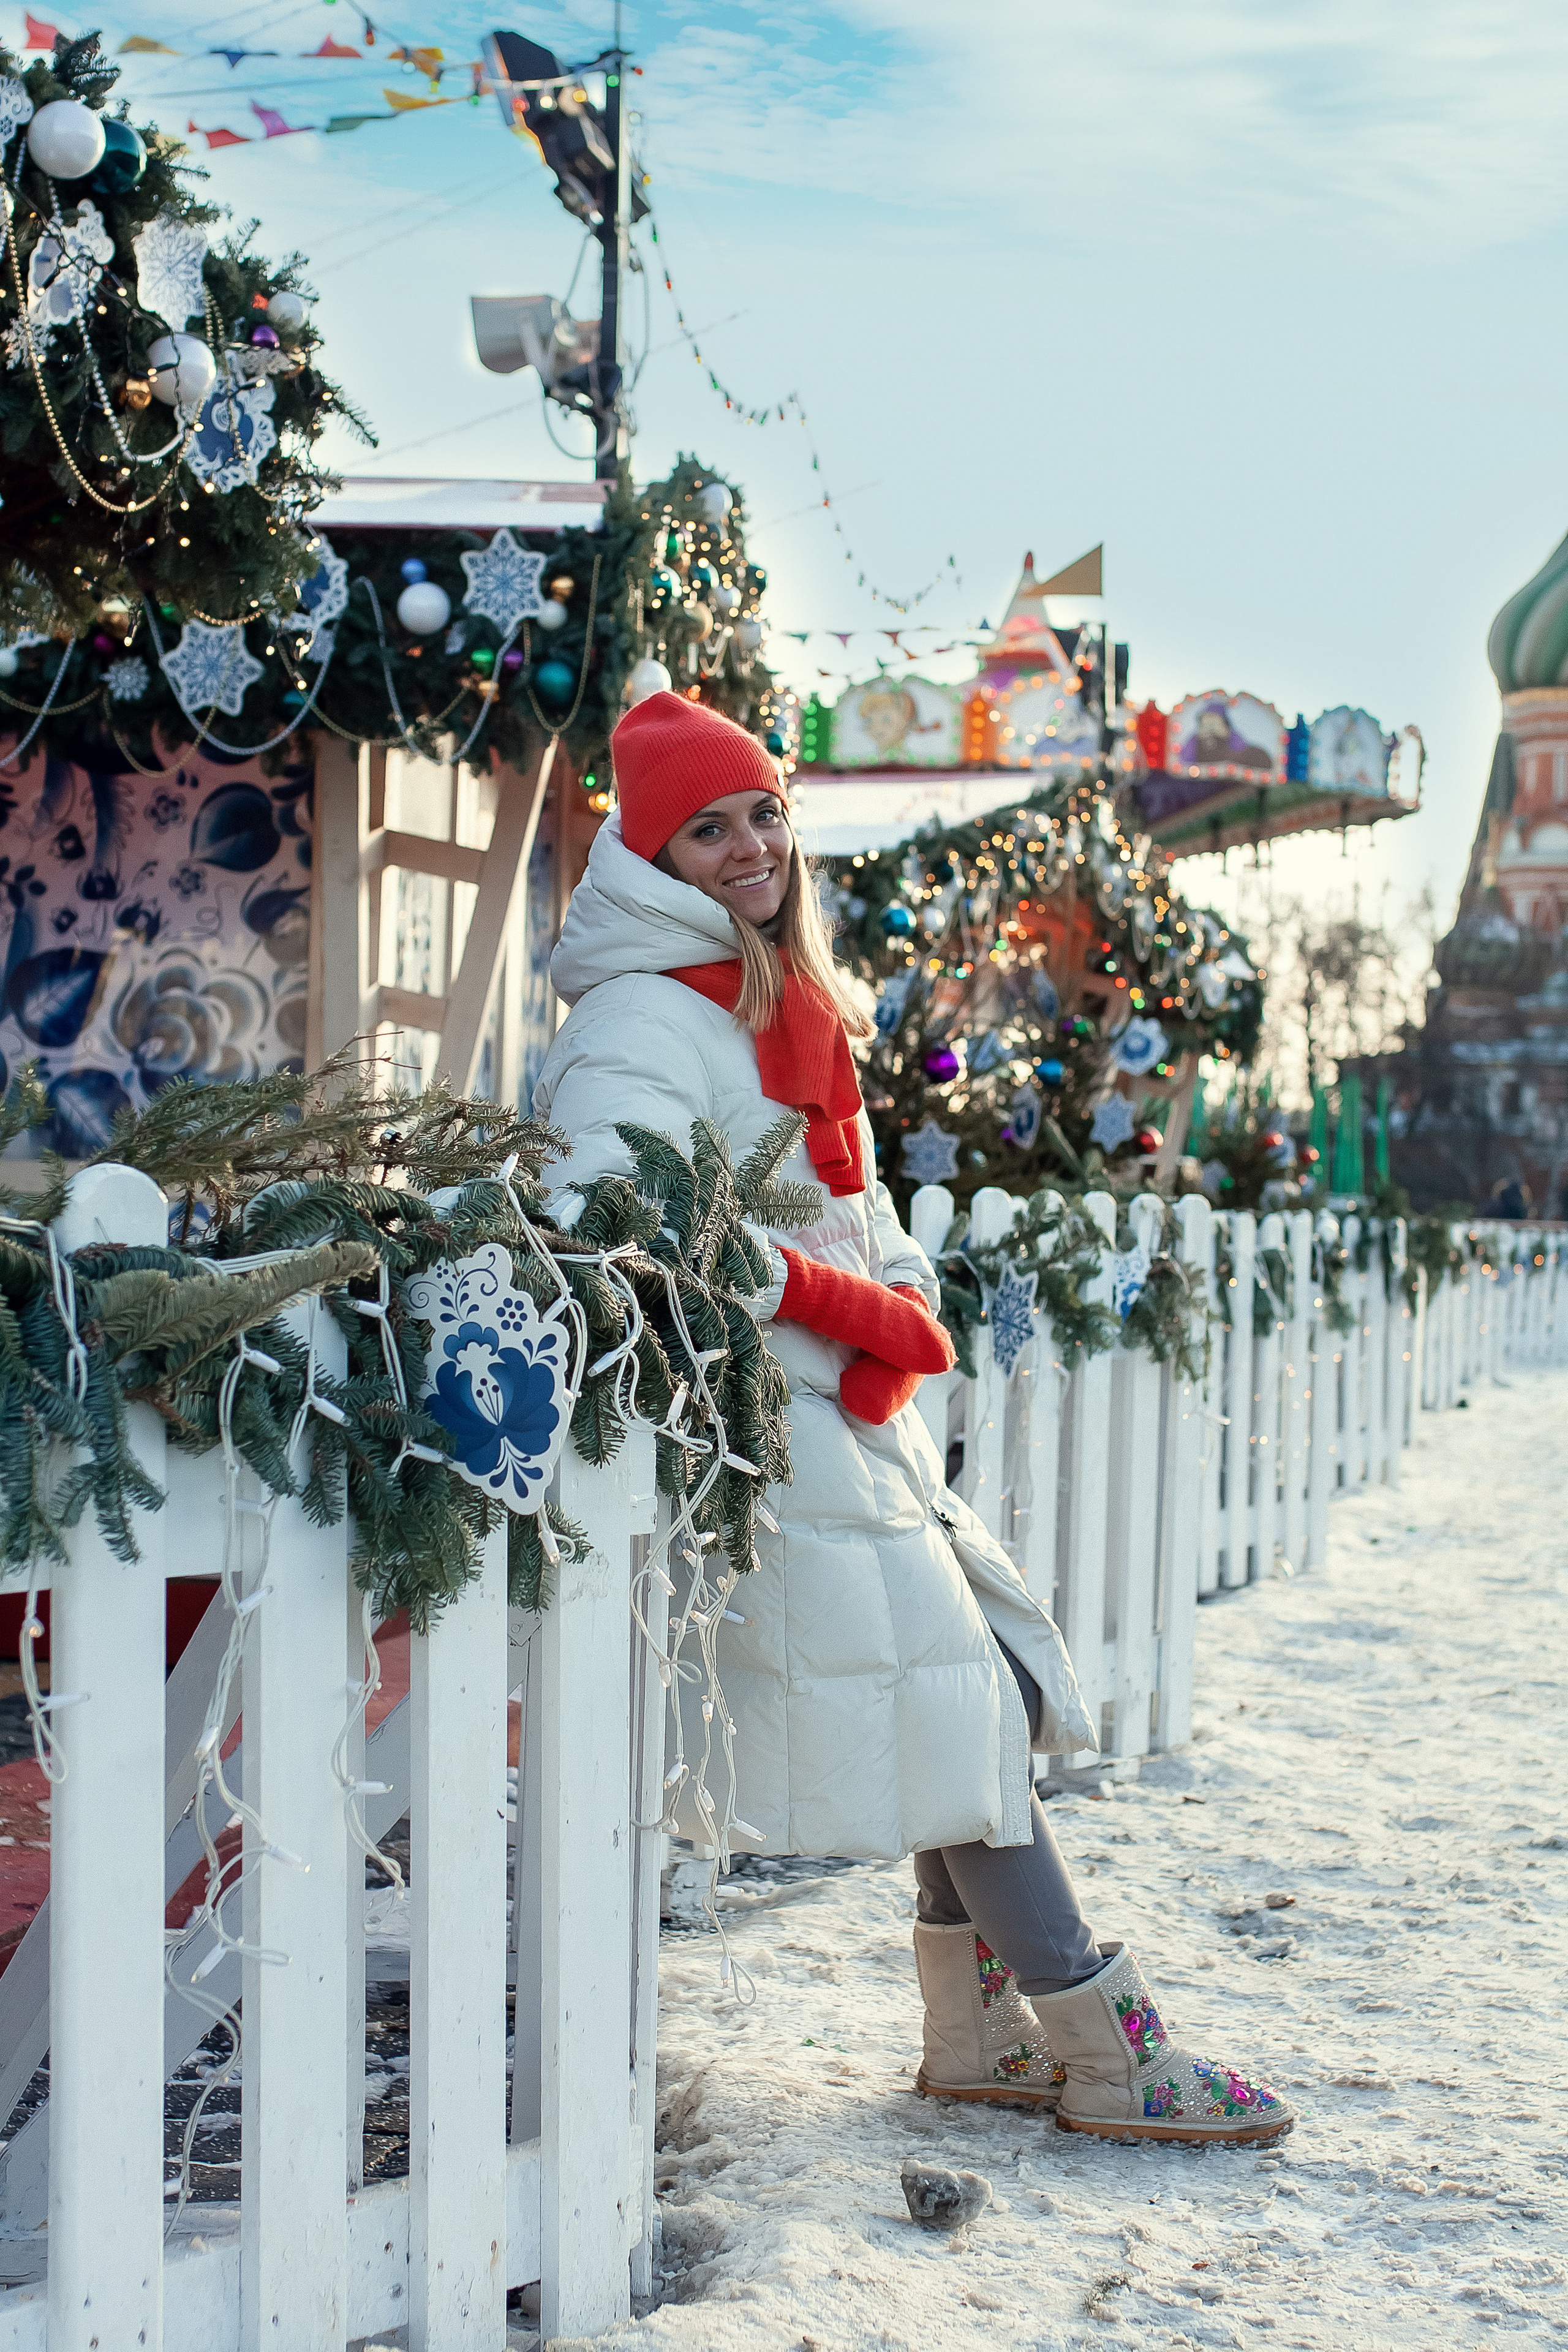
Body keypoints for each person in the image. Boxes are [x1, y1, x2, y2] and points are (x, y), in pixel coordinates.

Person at [533, 692, 1292, 2147]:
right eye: (709, 826)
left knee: (970, 1704)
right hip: (767, 1427)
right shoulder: (638, 1015)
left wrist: (894, 1284)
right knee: (970, 1715)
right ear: (653, 852)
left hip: (852, 1417)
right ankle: (1101, 2040)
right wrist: (839, 1306)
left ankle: (973, 2034)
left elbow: (844, 1197)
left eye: (762, 810)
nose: (750, 844)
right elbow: (615, 1224)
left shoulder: (774, 989)